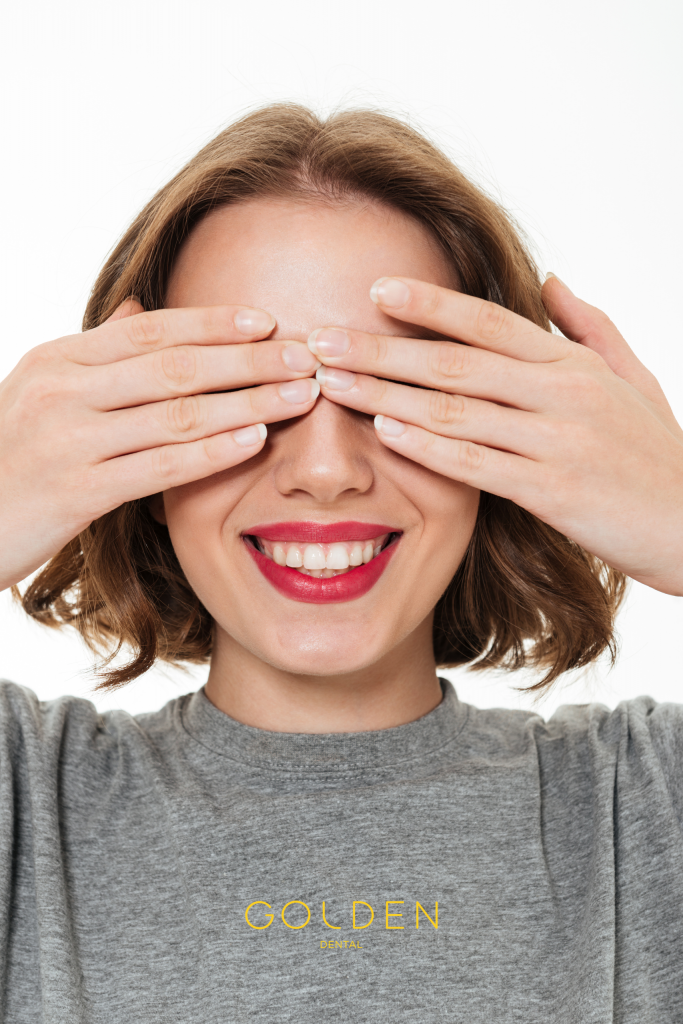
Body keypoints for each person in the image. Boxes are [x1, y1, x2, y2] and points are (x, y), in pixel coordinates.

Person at [1, 104, 682, 1023]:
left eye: (397, 390)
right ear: (131, 434)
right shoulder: (29, 803)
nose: (325, 472)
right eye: (241, 392)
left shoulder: (644, 804)